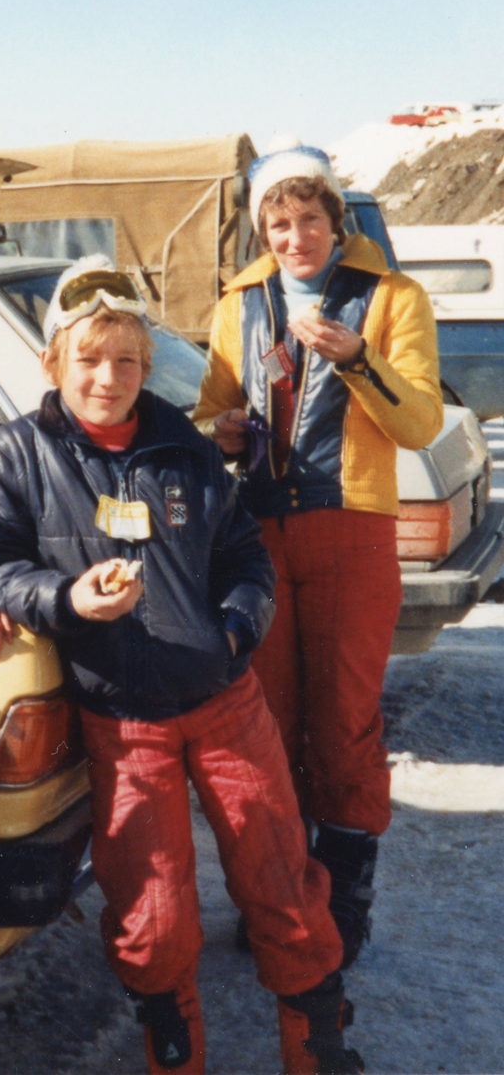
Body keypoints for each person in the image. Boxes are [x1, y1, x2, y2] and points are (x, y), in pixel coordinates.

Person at [0, 256, 361, 1075]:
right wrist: (69, 599)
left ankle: (317, 1045)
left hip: (225, 703)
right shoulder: (19, 453)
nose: (107, 377)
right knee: (154, 912)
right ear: (53, 362)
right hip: (125, 723)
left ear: (147, 367)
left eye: (126, 361)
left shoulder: (185, 448)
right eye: (88, 359)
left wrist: (233, 632)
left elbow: (246, 559)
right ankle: (174, 1051)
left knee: (281, 878)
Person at [193, 138, 443, 968]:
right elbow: (212, 416)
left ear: (337, 221)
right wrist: (221, 432)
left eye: (308, 219)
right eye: (278, 222)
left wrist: (357, 357)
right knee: (269, 721)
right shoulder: (240, 302)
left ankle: (346, 900)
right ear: (261, 230)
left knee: (343, 722)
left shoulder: (391, 297)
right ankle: (285, 896)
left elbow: (420, 424)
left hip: (352, 524)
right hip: (259, 531)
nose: (293, 236)